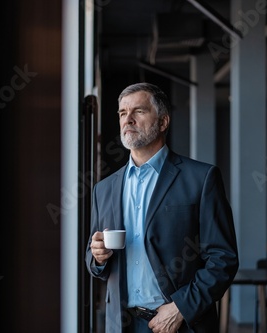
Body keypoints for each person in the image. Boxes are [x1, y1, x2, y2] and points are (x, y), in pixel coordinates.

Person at [85, 82, 238, 333]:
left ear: (163, 122)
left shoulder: (201, 178)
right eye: (123, 113)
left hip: (181, 323)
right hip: (121, 325)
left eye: (139, 111)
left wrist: (180, 308)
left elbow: (224, 259)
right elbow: (93, 260)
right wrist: (97, 256)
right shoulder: (104, 189)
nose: (128, 119)